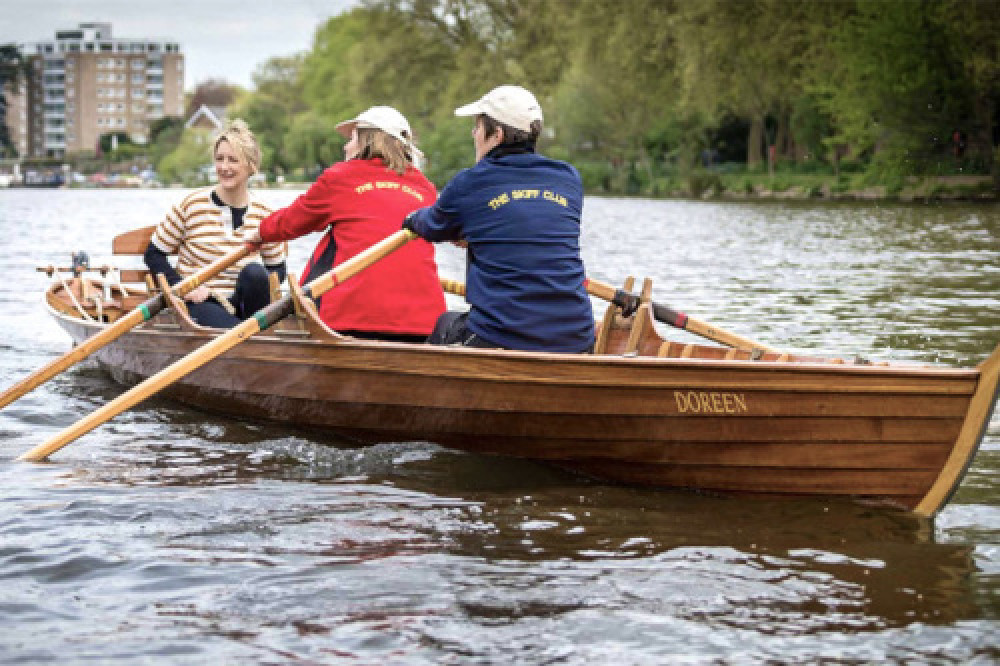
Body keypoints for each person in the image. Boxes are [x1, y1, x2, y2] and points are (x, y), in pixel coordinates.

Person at [403, 85, 595, 353]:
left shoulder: (471, 183)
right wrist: (478, 234)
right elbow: (524, 224)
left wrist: (411, 219)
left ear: (498, 135)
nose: (473, 134)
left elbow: (432, 225)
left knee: (445, 323)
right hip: (577, 339)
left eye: (478, 127)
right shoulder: (568, 179)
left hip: (502, 337)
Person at [247, 106, 444, 342]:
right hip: (425, 326)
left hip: (351, 323)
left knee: (331, 245)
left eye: (351, 138)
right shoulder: (426, 188)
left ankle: (310, 322)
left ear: (367, 141)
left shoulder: (340, 178)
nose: (345, 146)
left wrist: (259, 233)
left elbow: (293, 221)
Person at [144, 119, 287, 328]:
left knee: (255, 272)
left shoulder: (265, 213)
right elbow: (153, 255)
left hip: (243, 305)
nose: (224, 167)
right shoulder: (191, 204)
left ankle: (252, 335)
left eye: (232, 160)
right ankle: (252, 339)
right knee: (235, 330)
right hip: (200, 301)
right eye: (219, 159)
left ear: (251, 166)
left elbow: (277, 270)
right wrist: (183, 287)